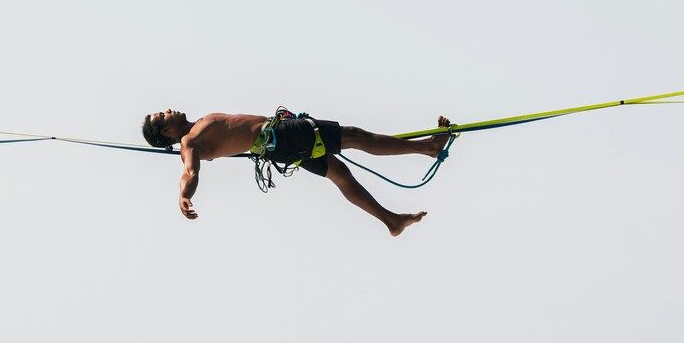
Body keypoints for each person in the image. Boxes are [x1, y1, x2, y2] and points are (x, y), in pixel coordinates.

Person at [141, 108, 455, 237]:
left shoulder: (196, 128)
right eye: (162, 115)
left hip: (280, 145)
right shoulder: (189, 141)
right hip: (283, 136)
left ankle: (391, 221)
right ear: (166, 131)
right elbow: (189, 172)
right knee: (355, 136)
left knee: (339, 173)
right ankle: (429, 147)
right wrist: (184, 196)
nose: (168, 110)